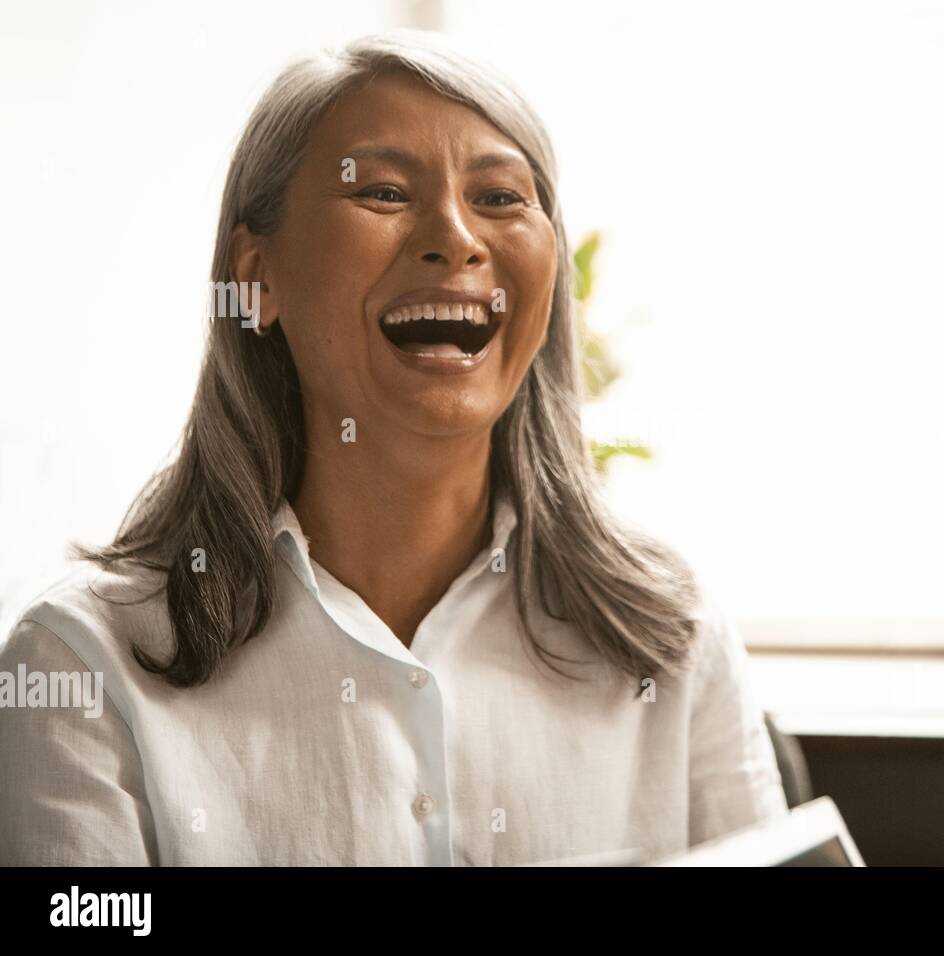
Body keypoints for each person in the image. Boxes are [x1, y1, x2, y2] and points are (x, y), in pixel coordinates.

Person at [0, 30, 787, 866]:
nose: (454, 237)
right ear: (256, 277)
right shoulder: (80, 667)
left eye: (500, 198)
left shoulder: (676, 642)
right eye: (381, 191)